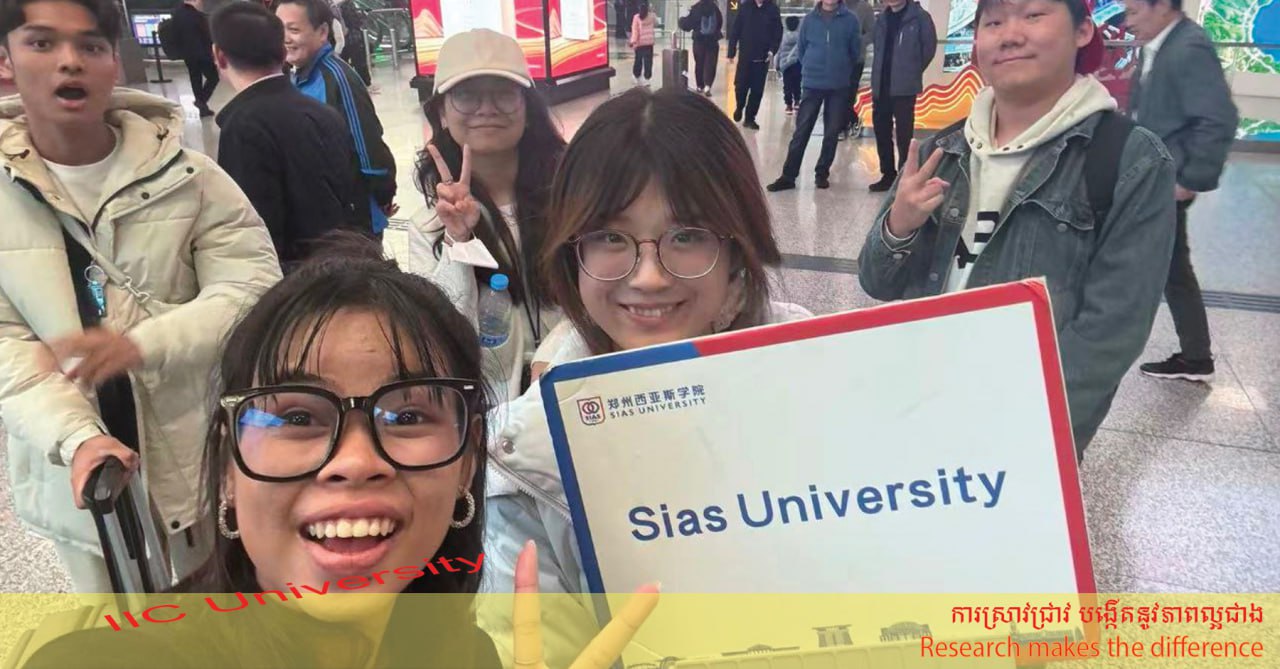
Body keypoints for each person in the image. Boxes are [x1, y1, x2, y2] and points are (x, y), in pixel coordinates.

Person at [20, 236, 658, 669]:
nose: (354, 461)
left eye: (408, 416)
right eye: (298, 417)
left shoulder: (464, 655)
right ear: (228, 469)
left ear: (468, 463)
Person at [479, 88, 812, 669]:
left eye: (688, 235)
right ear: (571, 251)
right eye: (610, 237)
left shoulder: (822, 376)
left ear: (738, 247)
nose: (650, 277)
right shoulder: (523, 453)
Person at [0, 0, 281, 593]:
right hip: (73, 467)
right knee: (116, 621)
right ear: (7, 59)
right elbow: (8, 347)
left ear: (115, 62)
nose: (70, 62)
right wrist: (76, 436)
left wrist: (142, 344)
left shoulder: (191, 176)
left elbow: (251, 286)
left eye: (91, 46)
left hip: (196, 446)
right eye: (42, 43)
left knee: (221, 604)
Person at [858, 0, 1177, 457]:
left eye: (1033, 15)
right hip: (919, 409)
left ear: (1083, 31)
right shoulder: (942, 150)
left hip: (1023, 431)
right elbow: (876, 282)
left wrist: (1029, 435)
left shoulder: (1129, 160)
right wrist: (899, 226)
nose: (1009, 35)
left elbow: (1112, 330)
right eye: (993, 22)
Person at [409, 29, 567, 406]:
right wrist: (458, 241)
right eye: (466, 96)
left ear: (527, 109)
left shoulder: (572, 197)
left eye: (503, 93)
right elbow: (442, 332)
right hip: (492, 411)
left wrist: (553, 357)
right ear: (442, 113)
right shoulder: (429, 226)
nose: (486, 108)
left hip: (575, 391)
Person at [1124, 0, 1238, 383]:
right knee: (1171, 266)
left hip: (1167, 181)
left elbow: (1218, 118)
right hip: (1151, 176)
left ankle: (1196, 356)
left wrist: (1190, 180)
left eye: (1134, 12)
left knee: (1172, 267)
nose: (1128, 22)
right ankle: (1195, 354)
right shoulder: (1160, 45)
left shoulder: (1189, 47)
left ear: (1162, 7)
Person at [212, 1, 371, 271]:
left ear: (219, 55)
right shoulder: (323, 114)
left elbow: (256, 231)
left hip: (295, 282)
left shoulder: (242, 128)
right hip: (340, 268)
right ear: (281, 50)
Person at [275, 0, 397, 239]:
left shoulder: (338, 78)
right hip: (323, 213)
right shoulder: (297, 77)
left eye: (294, 29)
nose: (286, 39)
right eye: (280, 30)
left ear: (322, 32)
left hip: (352, 215)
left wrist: (383, 192)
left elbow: (367, 145)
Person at [766, 0, 861, 192]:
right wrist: (812, 67)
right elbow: (801, 51)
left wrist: (841, 68)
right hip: (812, 83)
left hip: (838, 85)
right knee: (802, 131)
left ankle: (822, 173)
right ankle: (788, 176)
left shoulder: (850, 20)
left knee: (831, 132)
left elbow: (855, 52)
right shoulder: (809, 20)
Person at [868, 0, 937, 192]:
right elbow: (877, 46)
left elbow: (928, 49)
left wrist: (911, 70)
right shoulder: (881, 19)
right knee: (882, 131)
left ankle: (904, 176)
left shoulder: (920, 18)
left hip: (904, 87)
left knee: (904, 134)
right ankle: (887, 174)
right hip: (881, 85)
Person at [727, 0, 782, 130]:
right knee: (740, 86)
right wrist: (731, 52)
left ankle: (750, 118)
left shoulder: (772, 10)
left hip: (762, 58)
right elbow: (735, 30)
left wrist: (772, 50)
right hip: (745, 56)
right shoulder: (745, 8)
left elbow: (778, 33)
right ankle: (740, 106)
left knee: (757, 91)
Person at [171, 0, 218, 117]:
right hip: (201, 52)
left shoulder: (176, 15)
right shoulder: (196, 15)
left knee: (195, 78)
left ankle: (202, 108)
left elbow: (175, 35)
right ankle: (201, 101)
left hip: (187, 53)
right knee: (213, 77)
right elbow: (206, 35)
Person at [842, 0, 875, 137]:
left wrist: (858, 41)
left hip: (856, 59)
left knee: (849, 92)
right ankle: (848, 121)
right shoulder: (836, 5)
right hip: (836, 59)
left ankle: (845, 124)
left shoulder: (865, 7)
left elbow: (872, 32)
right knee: (838, 92)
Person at [679, 0, 724, 97]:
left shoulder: (696, 8)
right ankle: (708, 85)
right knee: (711, 63)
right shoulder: (715, 8)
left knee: (699, 63)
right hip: (712, 41)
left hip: (699, 41)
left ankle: (700, 86)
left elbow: (688, 24)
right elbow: (720, 22)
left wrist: (681, 21)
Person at [775, 15, 802, 114]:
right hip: (797, 64)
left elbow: (779, 52)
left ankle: (788, 106)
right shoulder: (800, 37)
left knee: (787, 85)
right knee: (797, 84)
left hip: (785, 65)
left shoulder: (783, 38)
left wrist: (777, 65)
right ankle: (797, 102)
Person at [629, 1, 655, 86]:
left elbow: (635, 31)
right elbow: (657, 23)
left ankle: (636, 76)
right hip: (649, 43)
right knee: (648, 61)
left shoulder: (636, 17)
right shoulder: (652, 16)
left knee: (638, 60)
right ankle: (647, 78)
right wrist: (652, 11)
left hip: (639, 43)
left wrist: (633, 42)